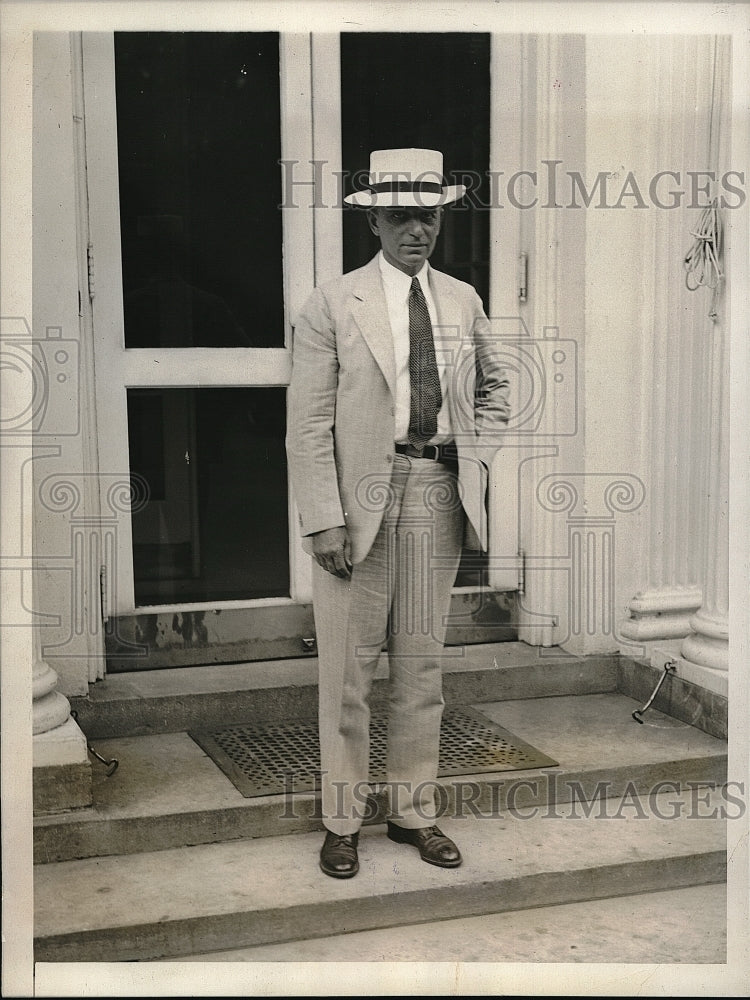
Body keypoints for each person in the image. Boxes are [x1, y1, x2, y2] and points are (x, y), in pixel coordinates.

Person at [286, 148, 510, 878]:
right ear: (375, 221)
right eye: (403, 216)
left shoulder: (463, 298)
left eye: (430, 215)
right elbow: (309, 423)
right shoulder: (332, 303)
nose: (418, 229)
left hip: (436, 490)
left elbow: (497, 385)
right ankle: (343, 821)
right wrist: (322, 516)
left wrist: (476, 452)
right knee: (348, 671)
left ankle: (414, 813)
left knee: (421, 667)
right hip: (359, 502)